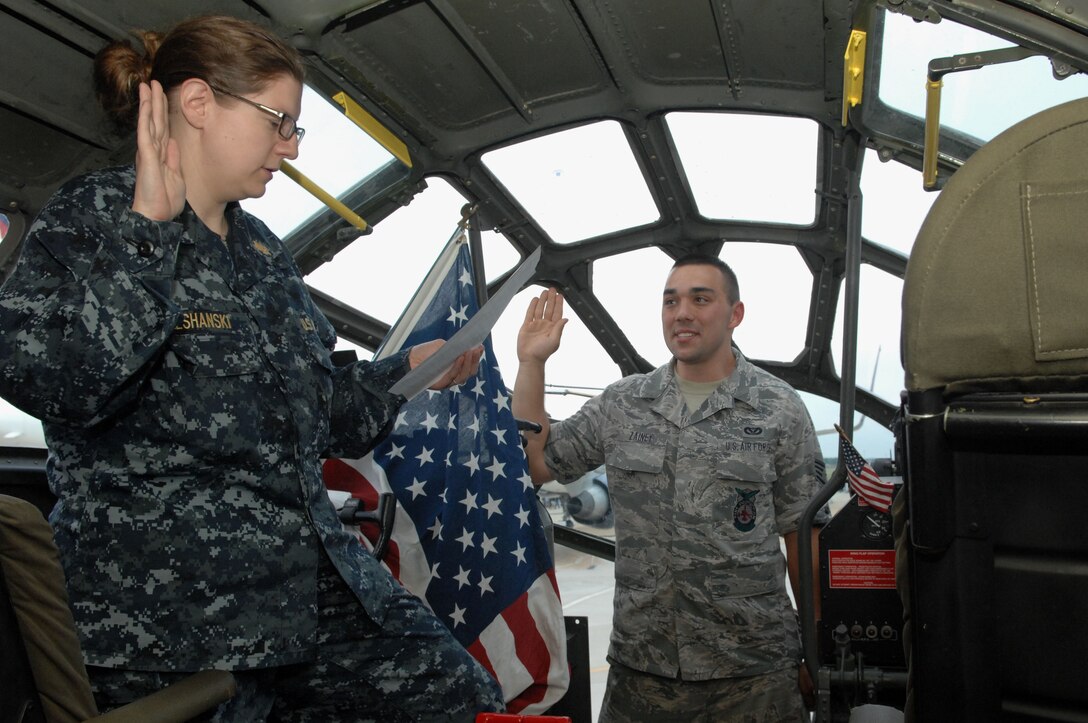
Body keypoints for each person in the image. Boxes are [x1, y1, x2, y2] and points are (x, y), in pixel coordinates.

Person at [0, 15, 504, 721]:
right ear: (200, 104)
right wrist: (149, 232)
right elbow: (61, 385)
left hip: (311, 595)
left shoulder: (261, 250)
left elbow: (324, 410)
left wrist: (410, 371)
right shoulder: (94, 220)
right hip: (173, 619)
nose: (289, 148)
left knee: (458, 697)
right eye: (279, 122)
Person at [513, 254, 829, 722]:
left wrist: (816, 651)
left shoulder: (778, 409)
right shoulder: (623, 403)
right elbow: (537, 464)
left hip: (754, 672)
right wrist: (531, 363)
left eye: (701, 299)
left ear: (735, 315)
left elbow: (804, 535)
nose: (682, 312)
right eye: (671, 301)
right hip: (644, 670)